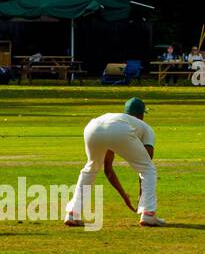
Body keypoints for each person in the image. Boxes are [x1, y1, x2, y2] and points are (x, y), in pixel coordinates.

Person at [64, 97, 164, 228]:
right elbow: (146, 163)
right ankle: (148, 214)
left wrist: (124, 196)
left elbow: (107, 168)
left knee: (91, 168)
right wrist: (142, 201)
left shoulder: (119, 119)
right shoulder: (145, 128)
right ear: (141, 115)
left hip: (92, 127)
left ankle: (73, 213)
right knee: (149, 169)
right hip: (118, 130)